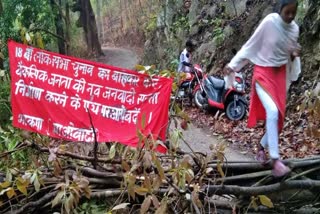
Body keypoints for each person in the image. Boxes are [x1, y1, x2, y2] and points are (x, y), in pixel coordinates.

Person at [223, 0, 301, 177]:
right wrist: (233, 65)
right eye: (287, 12)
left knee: (278, 120)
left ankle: (261, 147)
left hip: (279, 76)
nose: (290, 16)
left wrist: (295, 55)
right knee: (272, 112)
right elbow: (250, 45)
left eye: (293, 13)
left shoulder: (294, 29)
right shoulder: (269, 23)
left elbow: (290, 54)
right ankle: (276, 161)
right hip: (263, 73)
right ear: (279, 10)